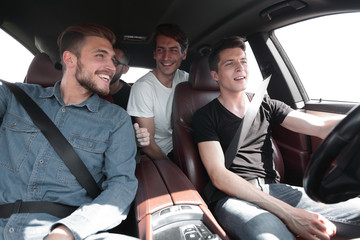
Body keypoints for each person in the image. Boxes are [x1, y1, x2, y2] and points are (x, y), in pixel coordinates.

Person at [192, 36, 360, 240]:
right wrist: (290, 214)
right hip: (234, 197)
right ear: (215, 75)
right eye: (230, 63)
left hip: (275, 189)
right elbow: (218, 175)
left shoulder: (267, 105)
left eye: (243, 61)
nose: (240, 67)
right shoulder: (204, 116)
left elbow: (321, 127)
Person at [0, 23, 140, 240]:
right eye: (100, 56)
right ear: (70, 59)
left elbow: (121, 187)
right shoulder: (13, 97)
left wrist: (68, 231)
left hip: (67, 229)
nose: (112, 67)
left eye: (113, 60)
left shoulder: (116, 120)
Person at [127, 23, 189, 161]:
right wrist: (172, 169)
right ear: (155, 54)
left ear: (183, 54)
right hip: (160, 156)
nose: (166, 57)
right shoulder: (143, 87)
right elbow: (148, 145)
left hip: (187, 150)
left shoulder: (187, 80)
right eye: (161, 50)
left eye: (173, 50)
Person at [109, 42, 131, 110]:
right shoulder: (86, 90)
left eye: (115, 63)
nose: (106, 66)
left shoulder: (132, 97)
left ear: (125, 69)